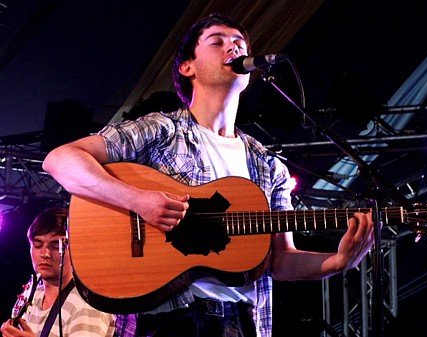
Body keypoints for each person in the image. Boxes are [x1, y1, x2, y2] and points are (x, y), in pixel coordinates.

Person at [41, 12, 374, 337]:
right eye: (218, 42)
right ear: (188, 67)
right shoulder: (163, 130)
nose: (234, 48)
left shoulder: (269, 165)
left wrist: (336, 262)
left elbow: (281, 260)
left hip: (242, 325)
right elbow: (60, 159)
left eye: (239, 43)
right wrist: (138, 200)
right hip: (169, 321)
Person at [1, 207, 115, 337]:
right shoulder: (36, 292)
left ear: (75, 250)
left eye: (56, 247)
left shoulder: (88, 304)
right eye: (38, 245)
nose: (45, 254)